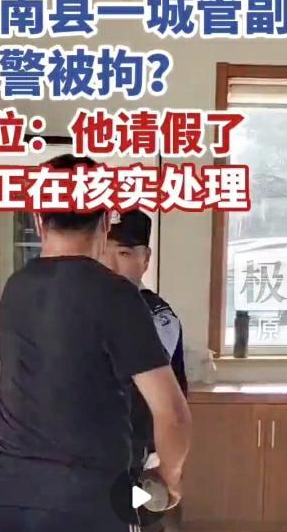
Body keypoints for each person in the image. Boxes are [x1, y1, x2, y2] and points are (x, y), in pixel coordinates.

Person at [0, 155, 191, 532]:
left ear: (38, 220)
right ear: (107, 220)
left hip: (5, 496)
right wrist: (169, 479)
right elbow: (172, 414)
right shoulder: (118, 296)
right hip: (87, 502)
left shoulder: (16, 288)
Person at [103, 210, 188, 531]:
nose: (111, 265)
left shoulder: (156, 316)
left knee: (133, 520)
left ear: (146, 259)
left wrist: (170, 473)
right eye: (103, 252)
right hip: (91, 461)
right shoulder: (90, 307)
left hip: (138, 461)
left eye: (124, 254)